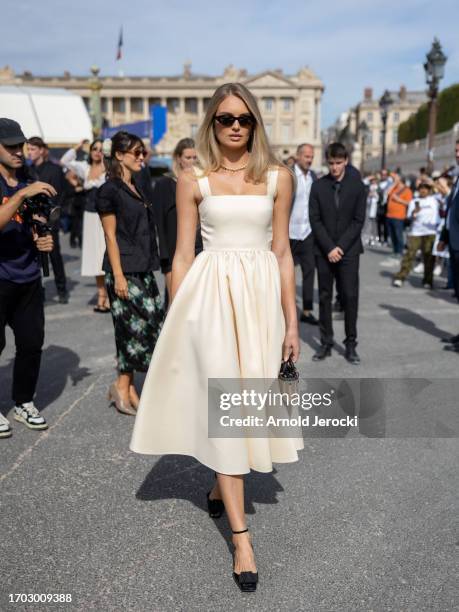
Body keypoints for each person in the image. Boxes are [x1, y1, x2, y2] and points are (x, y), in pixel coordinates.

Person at [130, 82, 303, 592]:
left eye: (244, 119)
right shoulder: (193, 179)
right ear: (211, 122)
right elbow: (182, 255)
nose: (234, 126)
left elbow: (283, 253)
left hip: (260, 304)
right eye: (226, 118)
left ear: (255, 124)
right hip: (208, 303)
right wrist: (178, 316)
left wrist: (291, 322)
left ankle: (217, 484)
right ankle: (242, 538)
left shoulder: (278, 177)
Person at [96, 132, 164, 415]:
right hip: (123, 269)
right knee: (139, 327)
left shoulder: (137, 185)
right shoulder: (109, 190)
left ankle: (126, 386)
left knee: (145, 325)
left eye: (143, 152)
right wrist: (119, 276)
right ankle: (124, 386)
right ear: (120, 155)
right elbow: (110, 237)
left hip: (144, 266)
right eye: (136, 153)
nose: (141, 157)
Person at [0, 118, 55, 438]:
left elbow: (38, 220)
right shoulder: (19, 186)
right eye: (10, 147)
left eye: (19, 145)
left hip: (28, 275)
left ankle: (23, 402)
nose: (18, 152)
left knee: (32, 343)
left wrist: (43, 238)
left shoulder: (29, 178)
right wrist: (21, 196)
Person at [309, 142, 366, 365]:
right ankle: (326, 342)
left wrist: (340, 247)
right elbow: (315, 219)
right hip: (324, 251)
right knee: (324, 297)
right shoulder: (318, 186)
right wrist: (329, 247)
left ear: (346, 162)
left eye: (338, 163)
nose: (334, 168)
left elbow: (358, 220)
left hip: (349, 251)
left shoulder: (357, 186)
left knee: (350, 297)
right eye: (331, 163)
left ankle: (351, 343)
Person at [154, 138, 203, 307]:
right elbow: (159, 223)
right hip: (174, 252)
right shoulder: (164, 184)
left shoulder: (203, 183)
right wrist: (165, 257)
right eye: (188, 157)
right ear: (178, 158)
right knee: (176, 305)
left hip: (201, 252)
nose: (192, 161)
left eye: (195, 157)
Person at [61, 140, 108, 312]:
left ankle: (108, 296)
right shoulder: (85, 168)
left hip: (106, 217)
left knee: (106, 254)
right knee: (95, 258)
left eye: (101, 150)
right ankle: (101, 294)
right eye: (94, 149)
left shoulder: (110, 169)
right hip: (89, 216)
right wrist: (77, 147)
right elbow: (64, 162)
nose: (97, 152)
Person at [26, 137, 69, 304]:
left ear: (42, 150)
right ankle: (38, 291)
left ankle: (62, 289)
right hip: (31, 220)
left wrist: (49, 217)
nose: (30, 153)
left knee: (54, 255)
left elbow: (60, 195)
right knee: (34, 256)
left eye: (33, 149)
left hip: (50, 219)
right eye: (28, 149)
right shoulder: (27, 170)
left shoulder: (54, 170)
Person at [289, 143, 318, 325]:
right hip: (289, 233)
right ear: (298, 156)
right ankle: (286, 309)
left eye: (311, 157)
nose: (309, 160)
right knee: (285, 273)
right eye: (306, 156)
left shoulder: (313, 177)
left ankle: (306, 311)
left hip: (307, 232)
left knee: (309, 272)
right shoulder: (289, 176)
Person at [392, 179, 440, 289]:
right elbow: (409, 217)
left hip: (430, 232)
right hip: (416, 232)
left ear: (429, 190)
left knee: (428, 257)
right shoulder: (414, 202)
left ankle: (428, 280)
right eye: (421, 188)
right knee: (409, 255)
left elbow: (442, 192)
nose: (423, 190)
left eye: (426, 189)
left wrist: (432, 182)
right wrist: (414, 212)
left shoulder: (434, 200)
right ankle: (400, 277)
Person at [439, 139, 459, 352]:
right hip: (454, 240)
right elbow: (452, 210)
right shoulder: (457, 178)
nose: (457, 154)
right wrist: (445, 236)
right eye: (456, 151)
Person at [381, 173, 412, 266]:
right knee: (392, 235)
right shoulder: (394, 188)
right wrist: (394, 184)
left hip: (399, 216)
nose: (394, 180)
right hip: (389, 215)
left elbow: (409, 203)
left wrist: (398, 199)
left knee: (398, 235)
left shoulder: (407, 190)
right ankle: (395, 251)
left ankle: (400, 252)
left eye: (396, 179)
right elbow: (387, 193)